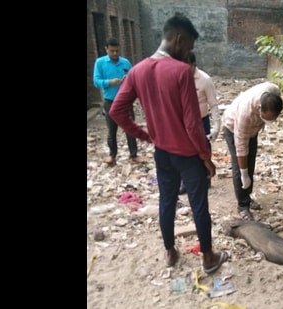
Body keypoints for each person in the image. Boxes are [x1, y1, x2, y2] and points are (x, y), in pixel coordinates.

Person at [109, 12, 229, 273]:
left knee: (167, 201)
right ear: (178, 40)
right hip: (187, 155)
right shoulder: (182, 71)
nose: (188, 54)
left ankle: (170, 252)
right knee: (199, 206)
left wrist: (145, 135)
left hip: (162, 153)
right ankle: (208, 257)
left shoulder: (137, 70)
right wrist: (206, 157)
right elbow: (192, 123)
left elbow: (116, 111)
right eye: (188, 47)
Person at [221, 82, 283, 221]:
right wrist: (244, 174)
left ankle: (247, 197)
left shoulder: (273, 91)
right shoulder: (245, 113)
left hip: (253, 129)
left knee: (251, 161)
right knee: (241, 167)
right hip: (233, 127)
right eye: (266, 118)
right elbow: (241, 148)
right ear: (260, 109)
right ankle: (242, 206)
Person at [92, 37, 143, 166]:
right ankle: (112, 155)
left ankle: (134, 154)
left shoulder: (125, 63)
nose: (115, 53)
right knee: (112, 129)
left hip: (126, 101)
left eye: (116, 51)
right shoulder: (100, 63)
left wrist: (128, 80)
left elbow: (134, 79)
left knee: (130, 127)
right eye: (112, 51)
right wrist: (109, 82)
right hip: (110, 101)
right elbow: (96, 81)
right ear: (106, 49)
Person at [179, 51, 221, 194]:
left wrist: (216, 126)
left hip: (201, 121)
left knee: (203, 148)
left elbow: (213, 104)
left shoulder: (204, 80)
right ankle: (185, 182)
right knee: (184, 151)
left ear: (193, 65)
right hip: (183, 121)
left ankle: (206, 178)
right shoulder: (178, 78)